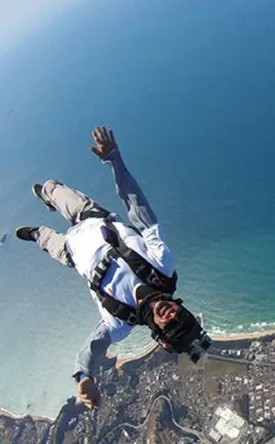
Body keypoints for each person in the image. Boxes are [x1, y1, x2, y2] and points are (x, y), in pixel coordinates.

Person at [15, 127, 210, 410]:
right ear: (184, 307)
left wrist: (84, 375)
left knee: (45, 240)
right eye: (182, 316)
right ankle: (47, 195)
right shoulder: (162, 266)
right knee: (51, 187)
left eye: (173, 326)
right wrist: (115, 160)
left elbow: (93, 348)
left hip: (71, 253)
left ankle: (37, 233)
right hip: (89, 215)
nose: (172, 315)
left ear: (160, 333)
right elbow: (137, 207)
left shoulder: (119, 323)